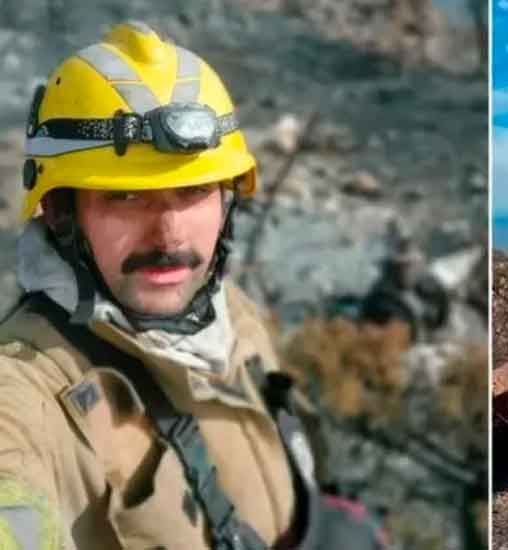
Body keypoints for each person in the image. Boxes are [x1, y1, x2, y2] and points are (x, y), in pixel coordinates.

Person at [0, 21, 383, 549]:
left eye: (195, 191)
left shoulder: (229, 311)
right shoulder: (27, 391)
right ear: (59, 211)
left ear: (226, 200)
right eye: (126, 197)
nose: (170, 236)